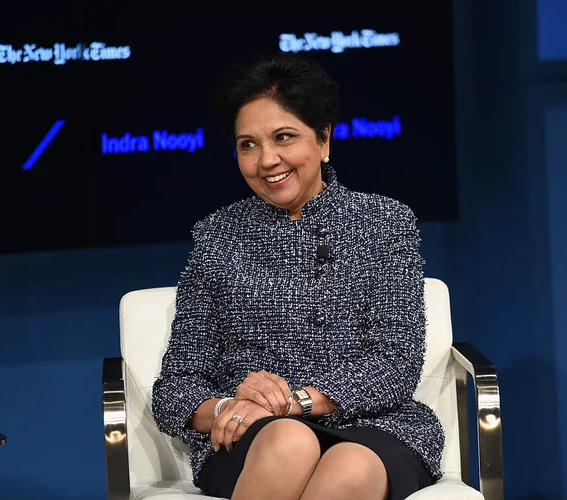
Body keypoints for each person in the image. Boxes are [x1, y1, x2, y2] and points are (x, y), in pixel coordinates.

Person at [151, 51, 444, 500]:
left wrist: (297, 401)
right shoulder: (218, 236)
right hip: (255, 438)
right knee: (289, 440)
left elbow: (395, 363)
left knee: (348, 465)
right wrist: (230, 407)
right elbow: (176, 387)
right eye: (247, 144)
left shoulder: (384, 222)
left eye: (284, 137)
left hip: (372, 425)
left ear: (324, 140)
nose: (266, 160)